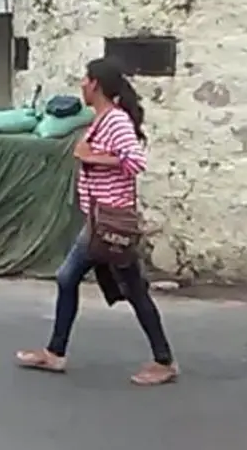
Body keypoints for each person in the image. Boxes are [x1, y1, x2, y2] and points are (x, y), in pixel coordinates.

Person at [15, 57, 178, 386]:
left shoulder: (115, 122)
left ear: (97, 85)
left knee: (123, 287)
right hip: (98, 220)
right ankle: (56, 352)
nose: (81, 84)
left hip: (111, 221)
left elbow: (135, 161)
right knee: (76, 280)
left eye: (86, 79)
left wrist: (92, 157)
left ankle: (163, 360)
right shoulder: (100, 120)